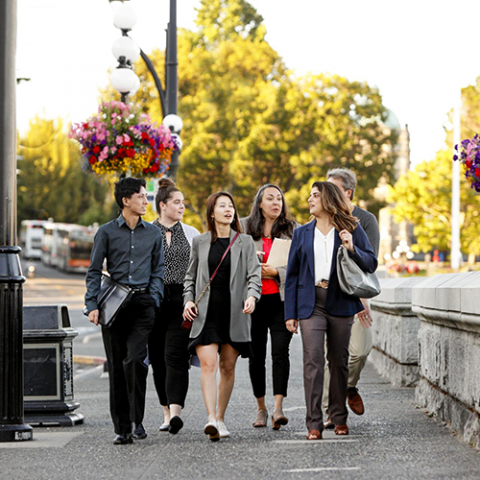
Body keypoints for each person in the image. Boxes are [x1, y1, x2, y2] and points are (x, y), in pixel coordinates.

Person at [285, 181, 377, 440]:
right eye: (310, 195)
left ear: (328, 199)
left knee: (338, 361)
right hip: (310, 304)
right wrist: (290, 313)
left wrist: (351, 247)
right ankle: (313, 423)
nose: (309, 200)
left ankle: (338, 417)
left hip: (341, 301)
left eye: (315, 195)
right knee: (312, 361)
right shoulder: (302, 233)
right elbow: (292, 275)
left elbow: (371, 263)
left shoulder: (352, 228)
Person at [85, 177, 164, 445]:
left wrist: (154, 297)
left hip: (142, 305)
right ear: (125, 200)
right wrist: (92, 305)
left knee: (134, 361)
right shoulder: (106, 232)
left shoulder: (153, 234)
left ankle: (137, 419)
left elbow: (158, 269)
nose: (145, 200)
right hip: (114, 307)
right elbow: (94, 270)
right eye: (141, 196)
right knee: (118, 367)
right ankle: (123, 428)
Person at [183, 191, 262, 441]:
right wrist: (187, 300)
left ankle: (220, 417)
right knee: (209, 364)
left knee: (227, 367)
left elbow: (254, 276)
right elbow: (190, 276)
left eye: (231, 206)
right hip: (205, 313)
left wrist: (252, 296)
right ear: (212, 212)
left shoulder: (245, 242)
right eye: (222, 206)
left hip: (234, 314)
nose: (228, 210)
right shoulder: (200, 242)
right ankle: (210, 419)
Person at [323, 168, 380, 425]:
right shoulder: (322, 218)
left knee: (359, 351)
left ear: (347, 192)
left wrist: (362, 301)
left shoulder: (365, 220)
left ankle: (347, 387)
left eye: (333, 189)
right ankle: (328, 412)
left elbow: (369, 263)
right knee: (331, 357)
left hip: (355, 296)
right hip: (326, 297)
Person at [240, 184, 297, 430]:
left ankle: (278, 407)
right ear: (260, 204)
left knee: (280, 352)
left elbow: (301, 266)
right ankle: (261, 408)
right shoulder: (243, 228)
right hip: (253, 301)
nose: (276, 203)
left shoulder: (293, 230)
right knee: (256, 356)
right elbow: (233, 263)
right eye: (270, 198)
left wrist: (277, 272)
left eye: (280, 199)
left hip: (281, 301)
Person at [147, 178, 200, 435]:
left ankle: (177, 412)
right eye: (177, 202)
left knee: (176, 355)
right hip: (154, 300)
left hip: (182, 299)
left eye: (183, 203)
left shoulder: (192, 233)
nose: (182, 207)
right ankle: (166, 412)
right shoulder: (147, 232)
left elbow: (201, 269)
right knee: (157, 358)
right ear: (162, 205)